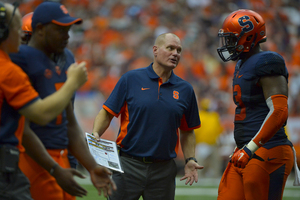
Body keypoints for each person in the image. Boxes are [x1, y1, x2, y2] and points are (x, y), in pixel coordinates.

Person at [9, 2, 116, 200]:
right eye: (60, 29)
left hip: (62, 153)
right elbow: (26, 125)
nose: (67, 36)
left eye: (68, 29)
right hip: (32, 156)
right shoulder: (19, 59)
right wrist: (54, 168)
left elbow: (68, 120)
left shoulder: (63, 57)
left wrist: (91, 166)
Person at [92, 32, 203, 200]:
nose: (175, 53)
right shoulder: (131, 79)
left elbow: (187, 131)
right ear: (155, 50)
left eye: (179, 50)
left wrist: (190, 159)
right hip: (128, 165)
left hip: (163, 170)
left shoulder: (185, 90)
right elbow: (107, 113)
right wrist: (95, 134)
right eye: (170, 48)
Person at [0, 2, 89, 200]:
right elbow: (38, 116)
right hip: (27, 154)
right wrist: (72, 83)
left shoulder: (63, 59)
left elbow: (69, 120)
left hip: (58, 151)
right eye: (21, 33)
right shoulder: (11, 68)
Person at [216, 9, 300, 200]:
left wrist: (250, 147)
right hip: (245, 150)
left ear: (247, 37)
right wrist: (244, 147)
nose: (228, 44)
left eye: (231, 38)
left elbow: (279, 111)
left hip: (267, 150)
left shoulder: (267, 61)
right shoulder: (242, 63)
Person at [194, 98, 223, 178]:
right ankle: (198, 178)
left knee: (215, 163)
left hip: (213, 143)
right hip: (202, 143)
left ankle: (216, 178)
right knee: (200, 162)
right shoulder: (200, 115)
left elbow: (218, 130)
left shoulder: (214, 116)